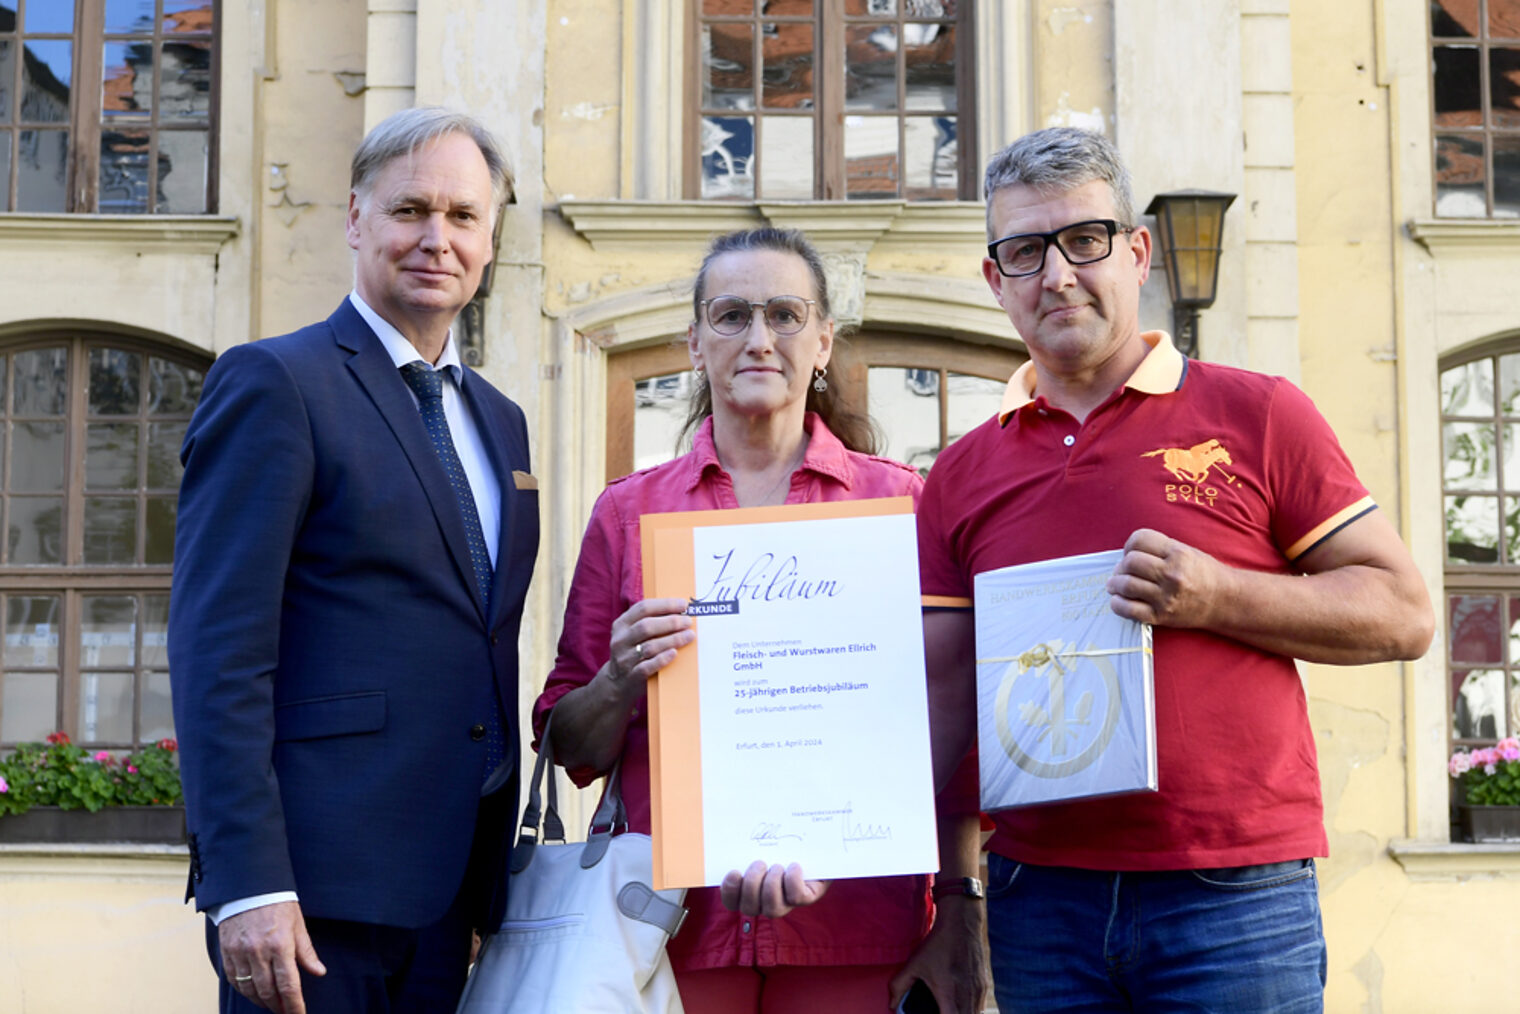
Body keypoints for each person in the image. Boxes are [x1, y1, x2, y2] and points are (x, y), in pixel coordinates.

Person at [917, 127, 1435, 1013]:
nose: (1058, 273)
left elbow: (1403, 613)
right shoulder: (960, 474)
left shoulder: (1259, 412)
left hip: (1235, 893)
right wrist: (939, 892)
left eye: (1085, 241)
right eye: (1025, 251)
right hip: (1038, 898)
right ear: (994, 279)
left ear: (1138, 251)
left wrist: (1218, 594)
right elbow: (942, 696)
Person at [535, 227, 986, 1014]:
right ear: (694, 343)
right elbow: (567, 745)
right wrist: (617, 678)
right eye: (731, 315)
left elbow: (950, 729)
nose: (758, 338)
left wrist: (961, 906)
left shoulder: (900, 506)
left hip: (858, 919)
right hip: (669, 926)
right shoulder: (628, 514)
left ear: (822, 344)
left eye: (784, 315)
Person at [169, 107, 539, 1014]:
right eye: (410, 209)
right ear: (355, 219)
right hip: (310, 898)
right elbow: (219, 650)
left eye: (463, 216)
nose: (436, 238)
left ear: (491, 239)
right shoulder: (276, 383)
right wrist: (249, 882)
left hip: (453, 897)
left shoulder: (501, 421)